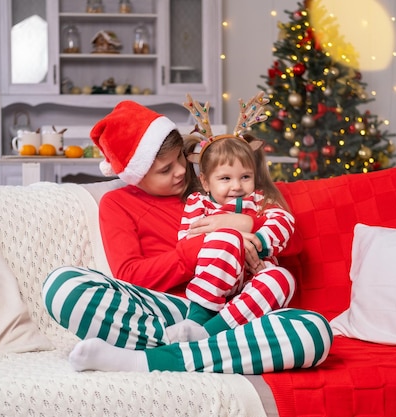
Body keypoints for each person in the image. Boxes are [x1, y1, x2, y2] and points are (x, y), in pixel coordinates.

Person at [41, 98, 332, 374]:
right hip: (165, 309)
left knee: (313, 331)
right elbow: (130, 275)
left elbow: (292, 242)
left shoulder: (211, 184)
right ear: (137, 174)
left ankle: (145, 359)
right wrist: (206, 245)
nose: (181, 171)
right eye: (165, 169)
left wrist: (244, 223)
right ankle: (192, 349)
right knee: (62, 286)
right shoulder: (118, 204)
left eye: (180, 157)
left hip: (234, 314)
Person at [166, 101, 297, 343]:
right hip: (215, 280)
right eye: (225, 178)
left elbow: (283, 222)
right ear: (205, 182)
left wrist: (257, 241)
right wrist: (235, 238)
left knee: (282, 279)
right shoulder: (198, 202)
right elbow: (187, 242)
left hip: (252, 279)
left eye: (245, 177)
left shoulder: (260, 200)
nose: (237, 186)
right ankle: (197, 318)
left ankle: (207, 333)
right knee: (225, 238)